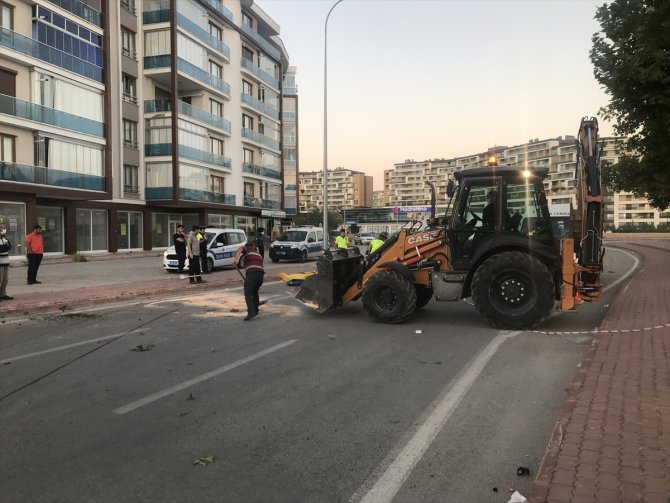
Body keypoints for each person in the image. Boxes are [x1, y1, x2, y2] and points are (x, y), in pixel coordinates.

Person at [233, 240, 265, 321]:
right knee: (254, 291)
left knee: (248, 293)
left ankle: (251, 312)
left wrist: (235, 259)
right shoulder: (258, 254)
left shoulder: (248, 249)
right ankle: (256, 309)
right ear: (254, 247)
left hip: (252, 274)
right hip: (260, 276)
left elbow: (240, 249)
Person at [0, 222, 13, 301]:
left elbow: (10, 246)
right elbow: (1, 249)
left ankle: (2, 294)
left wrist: (4, 247)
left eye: (4, 227)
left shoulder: (4, 237)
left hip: (5, 262)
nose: (3, 229)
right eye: (1, 227)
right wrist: (5, 247)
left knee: (5, 280)